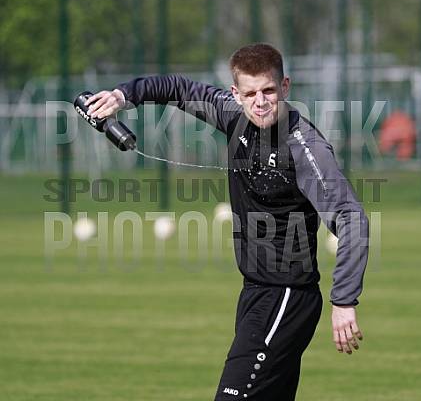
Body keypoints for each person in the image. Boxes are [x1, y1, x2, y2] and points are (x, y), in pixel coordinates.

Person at [85, 43, 369, 401]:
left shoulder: (303, 147)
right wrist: (122, 95)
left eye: (268, 90)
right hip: (255, 292)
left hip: (286, 296)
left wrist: (343, 301)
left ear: (285, 86)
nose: (260, 102)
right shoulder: (233, 115)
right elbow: (178, 89)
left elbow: (351, 218)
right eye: (250, 93)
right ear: (236, 94)